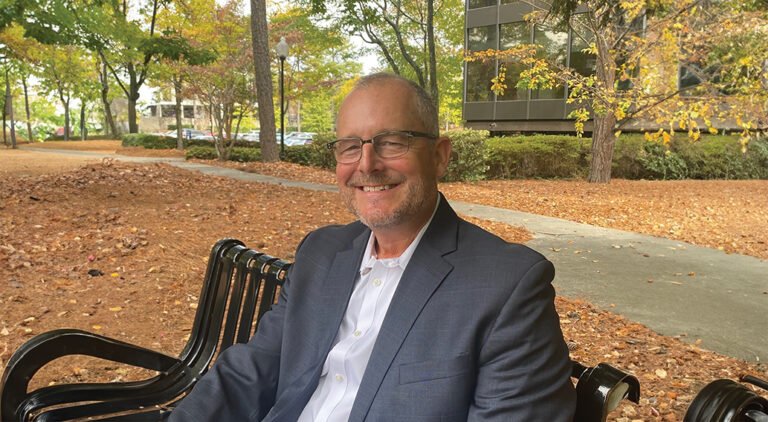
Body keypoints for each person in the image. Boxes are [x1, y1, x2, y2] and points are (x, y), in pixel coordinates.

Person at [170, 73, 576, 421]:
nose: (366, 165)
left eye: (392, 142)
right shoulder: (321, 253)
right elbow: (251, 370)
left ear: (439, 157)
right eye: (350, 146)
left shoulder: (506, 286)